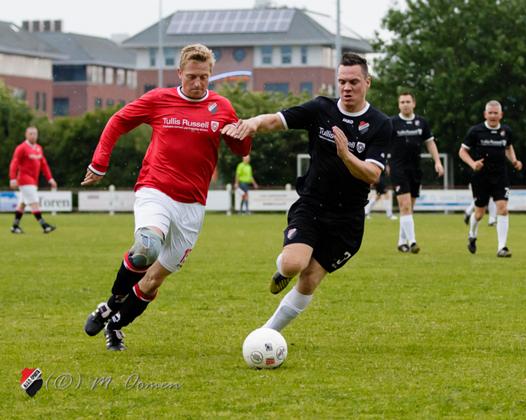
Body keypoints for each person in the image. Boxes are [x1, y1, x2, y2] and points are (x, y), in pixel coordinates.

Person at [81, 44, 252, 351]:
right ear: (179, 73)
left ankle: (115, 323)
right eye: (191, 77)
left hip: (193, 206)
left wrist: (242, 134)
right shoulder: (159, 99)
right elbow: (118, 121)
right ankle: (112, 302)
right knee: (146, 248)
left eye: (203, 77)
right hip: (155, 190)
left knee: (153, 281)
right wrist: (99, 162)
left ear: (211, 74)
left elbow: (242, 150)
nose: (198, 84)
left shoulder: (222, 107)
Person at [222, 52, 391, 332]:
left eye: (354, 82)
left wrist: (346, 156)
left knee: (310, 278)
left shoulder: (380, 123)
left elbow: (373, 174)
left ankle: (267, 333)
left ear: (367, 82)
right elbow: (276, 120)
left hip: (348, 219)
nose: (347, 88)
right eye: (342, 82)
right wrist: (252, 124)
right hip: (313, 205)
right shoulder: (321, 109)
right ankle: (282, 272)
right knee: (292, 265)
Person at [459, 100, 522, 257]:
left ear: (501, 115)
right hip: (481, 177)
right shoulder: (476, 131)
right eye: (490, 113)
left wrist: (514, 160)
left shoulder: (506, 131)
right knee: (479, 213)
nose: (493, 116)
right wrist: (473, 164)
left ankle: (502, 247)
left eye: (496, 113)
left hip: (500, 176)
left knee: (503, 208)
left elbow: (508, 147)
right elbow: (462, 152)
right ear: (485, 114)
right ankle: (472, 235)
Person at [389, 92, 444, 253]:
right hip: (398, 168)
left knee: (408, 208)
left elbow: (430, 143)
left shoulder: (421, 122)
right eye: (402, 102)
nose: (405, 104)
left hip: (415, 169)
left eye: (408, 101)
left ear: (414, 103)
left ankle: (401, 242)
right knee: (405, 206)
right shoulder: (392, 123)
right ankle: (412, 242)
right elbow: (383, 144)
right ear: (398, 105)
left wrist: (438, 162)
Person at [8, 126, 57, 234]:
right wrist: (12, 178)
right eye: (31, 134)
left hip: (33, 181)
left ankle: (15, 226)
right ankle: (44, 226)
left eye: (35, 134)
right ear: (26, 134)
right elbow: (14, 163)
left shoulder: (38, 148)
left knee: (23, 203)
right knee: (34, 202)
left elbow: (44, 165)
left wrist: (50, 179)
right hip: (24, 180)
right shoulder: (21, 148)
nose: (33, 136)